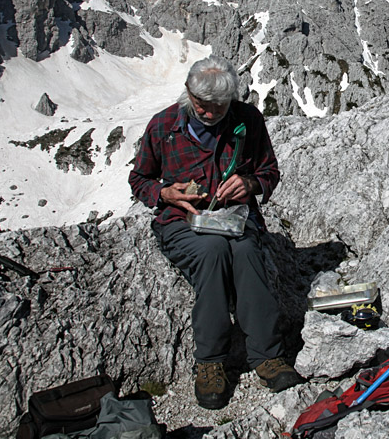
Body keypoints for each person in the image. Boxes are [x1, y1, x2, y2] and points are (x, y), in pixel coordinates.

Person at [129, 55, 303, 410]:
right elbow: (139, 179)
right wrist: (166, 193)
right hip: (182, 221)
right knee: (213, 252)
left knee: (247, 252)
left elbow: (269, 172)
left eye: (218, 106)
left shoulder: (248, 120)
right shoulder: (163, 126)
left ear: (231, 99)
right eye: (201, 105)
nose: (209, 113)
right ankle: (209, 362)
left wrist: (250, 183)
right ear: (188, 93)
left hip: (235, 218)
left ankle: (268, 356)